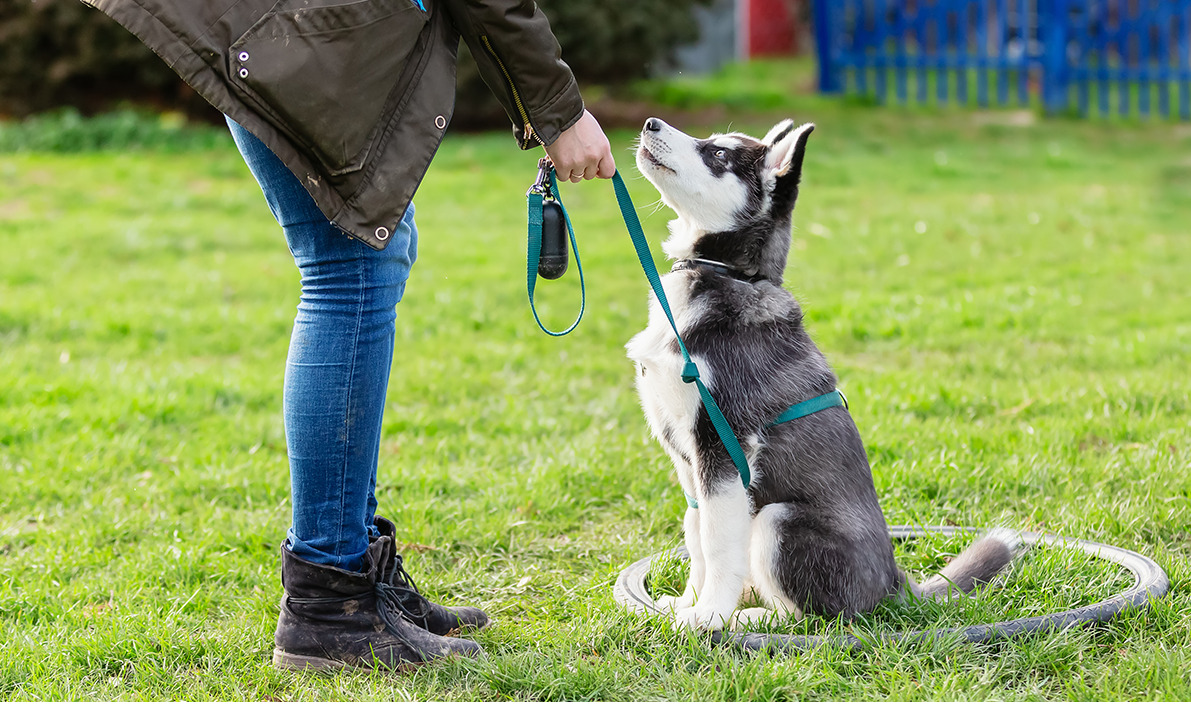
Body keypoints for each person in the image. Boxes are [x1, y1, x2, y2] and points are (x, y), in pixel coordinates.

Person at [90, 0, 615, 671]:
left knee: (373, 255)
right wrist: (559, 113)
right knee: (348, 273)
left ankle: (355, 572)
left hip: (283, 23)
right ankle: (327, 604)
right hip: (283, 28)